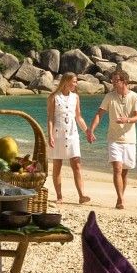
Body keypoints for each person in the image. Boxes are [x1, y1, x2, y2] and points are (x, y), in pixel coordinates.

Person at [92, 70, 137, 209]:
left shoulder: (135, 97)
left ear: (124, 81)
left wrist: (126, 119)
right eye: (112, 80)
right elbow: (99, 114)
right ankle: (120, 199)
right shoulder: (109, 96)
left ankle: (120, 195)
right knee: (117, 168)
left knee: (125, 172)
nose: (113, 83)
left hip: (130, 139)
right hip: (113, 138)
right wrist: (91, 130)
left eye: (116, 80)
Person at [46, 73, 94, 204]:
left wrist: (87, 131)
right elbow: (50, 118)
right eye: (74, 81)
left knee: (77, 164)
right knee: (57, 165)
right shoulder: (53, 97)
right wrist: (49, 135)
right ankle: (59, 196)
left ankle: (82, 195)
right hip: (58, 134)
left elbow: (78, 117)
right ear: (66, 81)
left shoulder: (76, 97)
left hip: (73, 134)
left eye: (76, 81)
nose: (76, 84)